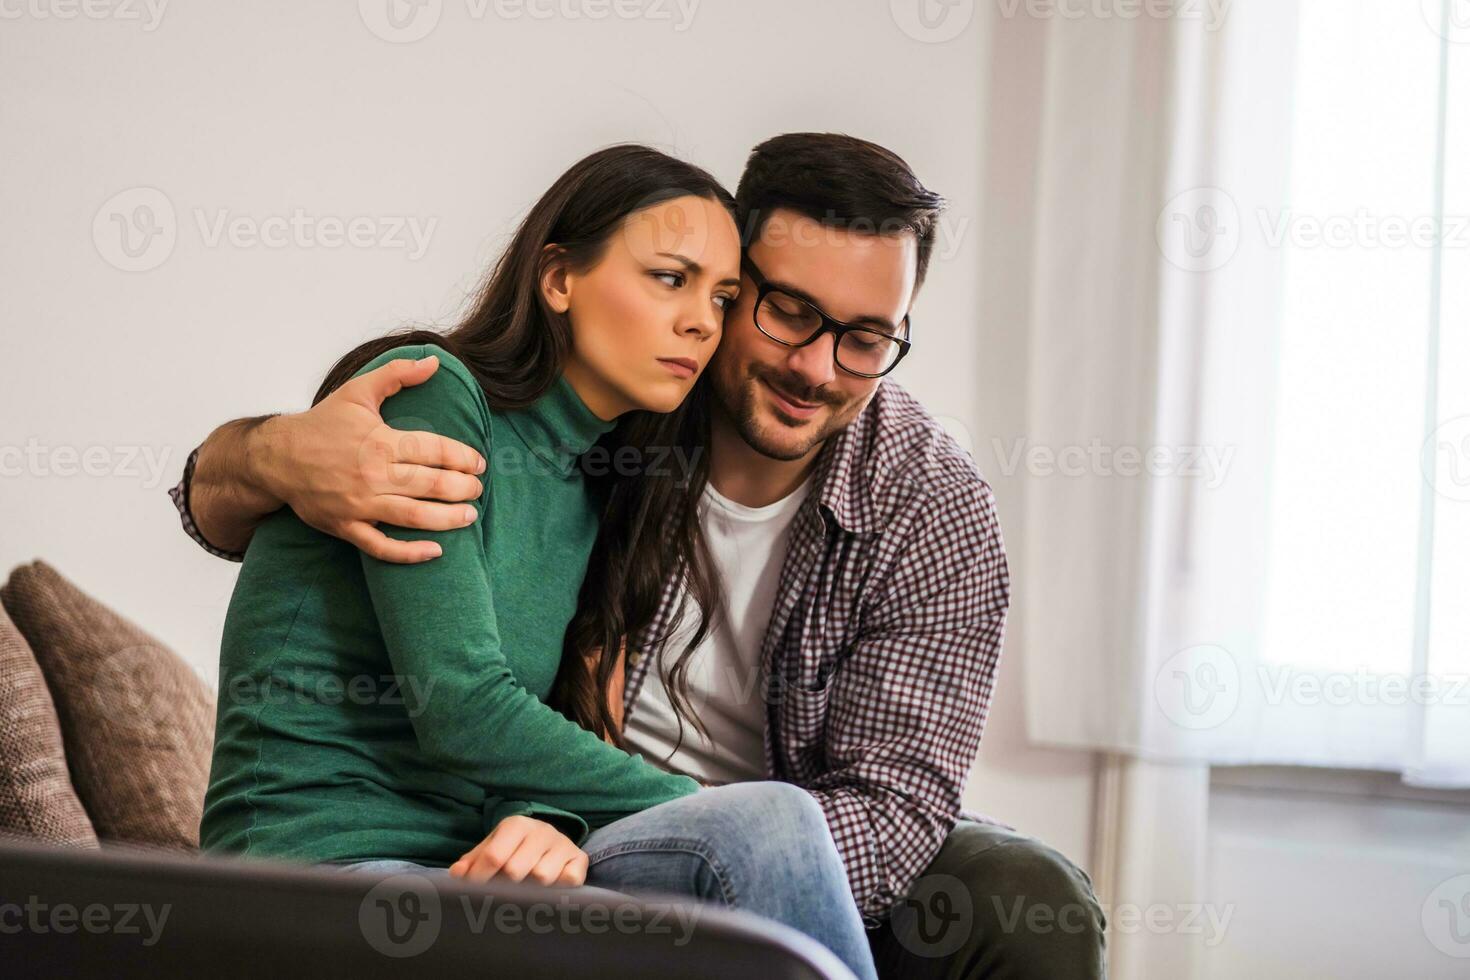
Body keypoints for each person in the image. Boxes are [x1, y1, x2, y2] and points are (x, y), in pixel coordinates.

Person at [175, 134, 1106, 979]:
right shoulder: (578, 423)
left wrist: (592, 817)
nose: (816, 367)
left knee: (1013, 893)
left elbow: (897, 810)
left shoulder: (917, 500)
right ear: (559, 278)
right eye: (779, 310)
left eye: (864, 340)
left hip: (648, 832)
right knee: (762, 825)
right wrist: (261, 451)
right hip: (384, 854)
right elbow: (464, 697)